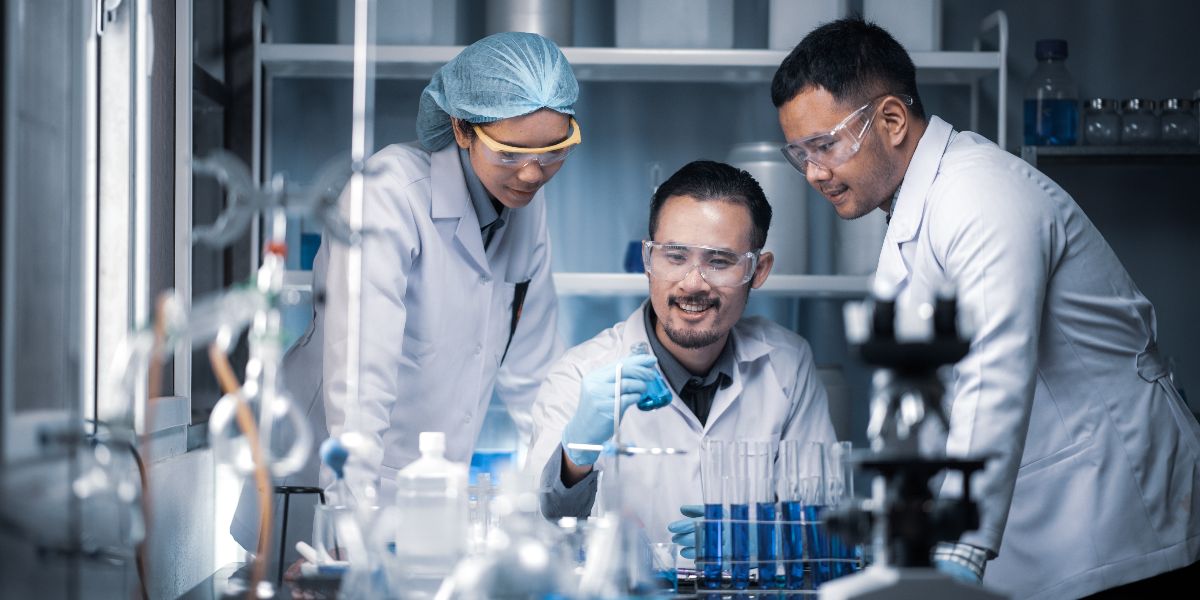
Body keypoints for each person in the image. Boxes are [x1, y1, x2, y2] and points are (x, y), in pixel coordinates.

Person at [771, 17, 1200, 599]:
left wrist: (957, 551)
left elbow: (991, 371)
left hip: (1120, 525)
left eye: (824, 146)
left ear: (892, 120)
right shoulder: (916, 209)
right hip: (1044, 525)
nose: (814, 173)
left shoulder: (980, 195)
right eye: (799, 154)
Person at [231, 32, 579, 565]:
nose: (533, 174)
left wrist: (557, 503)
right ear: (463, 129)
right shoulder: (388, 194)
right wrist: (350, 521)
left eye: (553, 152)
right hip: (324, 484)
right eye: (511, 154)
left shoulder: (527, 211)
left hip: (429, 492)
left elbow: (537, 376)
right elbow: (360, 376)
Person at [525, 160, 837, 548]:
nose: (693, 284)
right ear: (647, 260)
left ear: (758, 270)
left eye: (719, 261)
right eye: (675, 256)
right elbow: (538, 538)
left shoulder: (787, 365)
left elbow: (823, 520)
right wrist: (575, 458)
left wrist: (756, 537)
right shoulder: (579, 375)